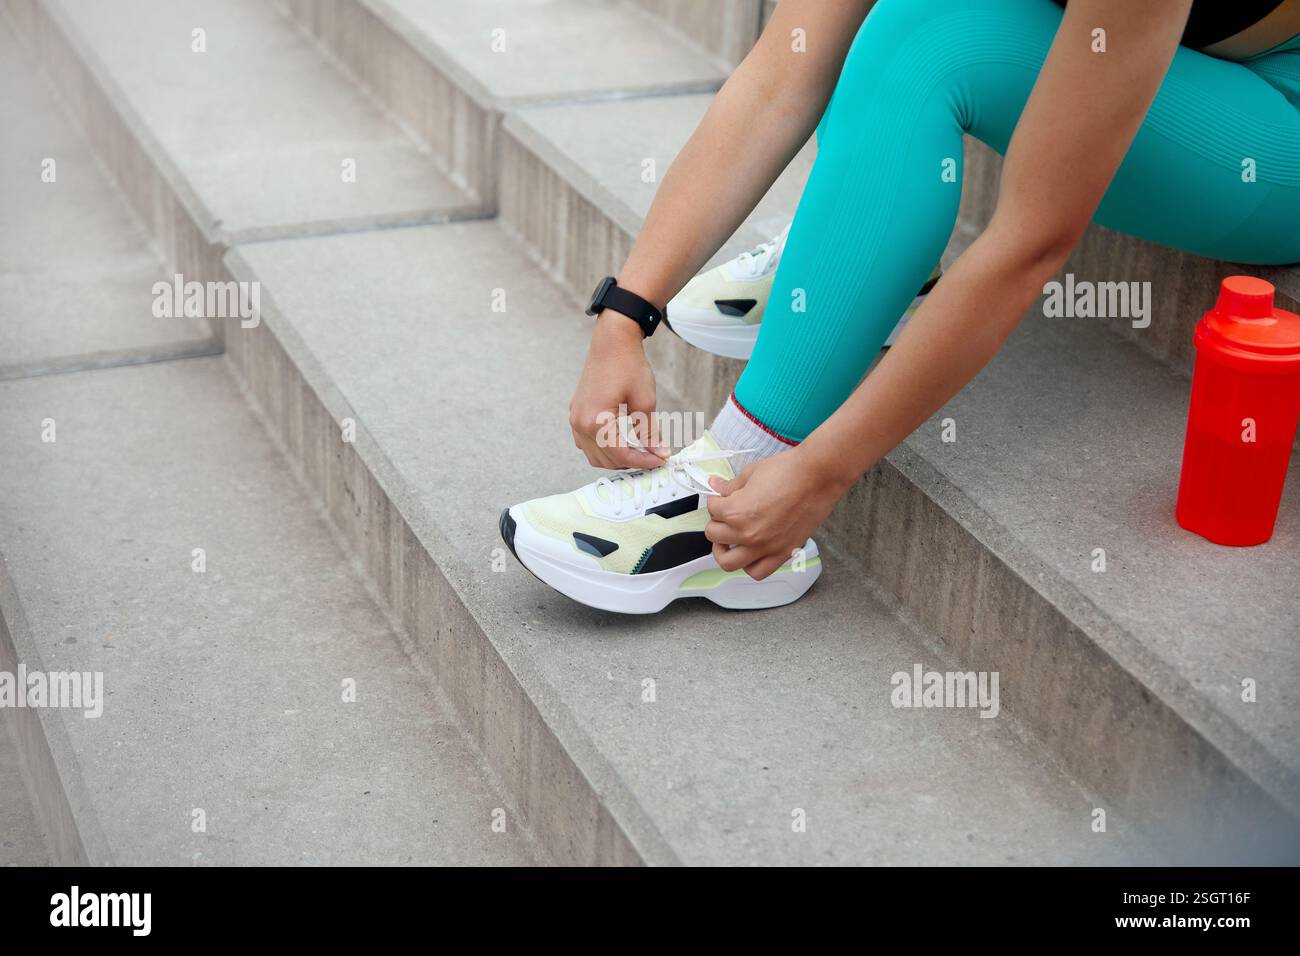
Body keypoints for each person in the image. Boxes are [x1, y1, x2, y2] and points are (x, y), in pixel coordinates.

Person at [498, 0, 1300, 614]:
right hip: (1168, 59)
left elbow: (1031, 240)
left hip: (1275, 128)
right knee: (897, 22)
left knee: (926, 34)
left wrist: (818, 471)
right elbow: (785, 67)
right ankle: (861, 255)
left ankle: (727, 491)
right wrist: (624, 315)